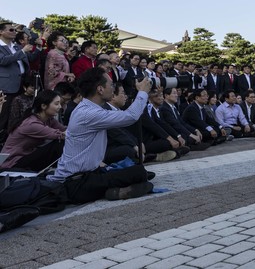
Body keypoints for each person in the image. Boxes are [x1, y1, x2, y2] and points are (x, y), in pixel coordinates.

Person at [47, 68, 154, 203]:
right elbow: (131, 116)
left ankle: (113, 190)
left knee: (138, 172)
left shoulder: (88, 109)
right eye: (111, 85)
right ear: (100, 89)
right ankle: (112, 191)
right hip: (76, 183)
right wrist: (143, 92)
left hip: (87, 175)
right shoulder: (88, 113)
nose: (113, 88)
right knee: (139, 173)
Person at [1, 90, 66, 171]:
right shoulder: (32, 124)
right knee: (58, 144)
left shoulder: (49, 120)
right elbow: (62, 135)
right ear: (43, 106)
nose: (60, 107)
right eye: (56, 104)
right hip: (12, 162)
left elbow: (65, 129)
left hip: (26, 157)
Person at [0, 21, 42, 140]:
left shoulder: (15, 46)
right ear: (1, 32)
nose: (14, 32)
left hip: (21, 84)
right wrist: (22, 51)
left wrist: (38, 47)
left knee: (16, 115)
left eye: (14, 29)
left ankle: (11, 139)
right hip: (6, 86)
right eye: (11, 30)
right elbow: (3, 60)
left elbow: (30, 57)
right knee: (4, 115)